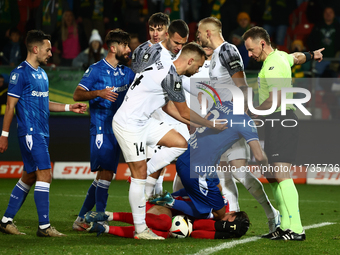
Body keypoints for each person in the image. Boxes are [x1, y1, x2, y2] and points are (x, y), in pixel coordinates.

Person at [112, 42, 227, 240]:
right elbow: (183, 111)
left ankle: (146, 170)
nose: (198, 70)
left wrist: (197, 125)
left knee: (181, 143)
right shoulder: (171, 76)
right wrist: (210, 124)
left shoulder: (164, 68)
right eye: (198, 66)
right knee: (139, 176)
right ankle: (141, 230)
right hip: (129, 124)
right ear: (190, 60)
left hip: (143, 122)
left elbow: (169, 109)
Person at [0, 30, 87, 237]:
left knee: (30, 176)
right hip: (31, 133)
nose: (50, 53)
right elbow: (10, 106)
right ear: (36, 49)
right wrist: (3, 135)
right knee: (45, 174)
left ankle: (5, 221)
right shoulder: (19, 73)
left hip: (42, 132)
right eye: (48, 49)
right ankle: (44, 227)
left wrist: (69, 108)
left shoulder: (42, 74)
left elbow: (44, 103)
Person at [197, 17, 280, 233]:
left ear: (208, 32)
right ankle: (232, 218)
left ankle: (273, 214)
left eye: (198, 31)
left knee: (239, 172)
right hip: (221, 123)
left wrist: (243, 116)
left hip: (233, 120)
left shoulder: (227, 50)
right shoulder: (214, 56)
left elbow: (241, 84)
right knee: (226, 172)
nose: (195, 35)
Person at [242, 26, 324, 241]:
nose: (249, 54)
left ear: (262, 43)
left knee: (281, 174)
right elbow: (296, 58)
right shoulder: (281, 57)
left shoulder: (273, 65)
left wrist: (251, 112)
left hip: (282, 120)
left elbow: (276, 99)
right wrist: (311, 54)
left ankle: (297, 229)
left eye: (251, 49)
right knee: (273, 176)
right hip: (275, 122)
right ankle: (285, 226)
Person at [72, 29, 135, 231]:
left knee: (104, 176)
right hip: (101, 127)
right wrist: (99, 93)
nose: (129, 50)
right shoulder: (96, 70)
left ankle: (81, 218)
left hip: (119, 129)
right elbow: (77, 94)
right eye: (125, 46)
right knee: (105, 173)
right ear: (114, 47)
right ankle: (99, 219)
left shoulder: (127, 73)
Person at [83, 194, 249, 239]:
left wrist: (221, 234)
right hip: (164, 205)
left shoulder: (217, 220)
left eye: (228, 227)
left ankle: (104, 228)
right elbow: (190, 201)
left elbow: (196, 232)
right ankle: (108, 215)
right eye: (228, 222)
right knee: (162, 224)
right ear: (231, 213)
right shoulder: (221, 202)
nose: (224, 222)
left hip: (175, 220)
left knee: (162, 234)